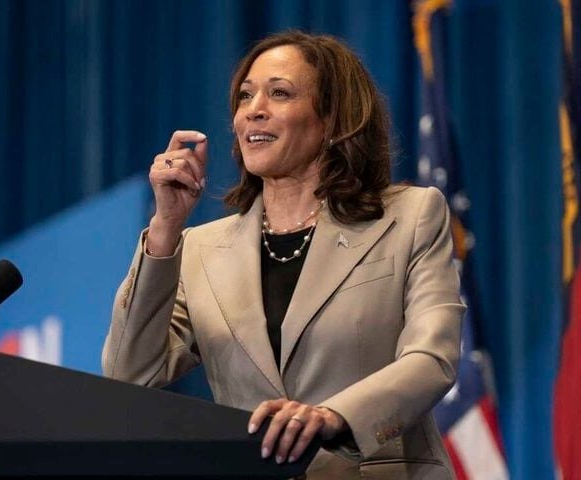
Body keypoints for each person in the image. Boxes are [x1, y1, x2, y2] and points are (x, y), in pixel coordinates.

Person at [102, 30, 465, 480]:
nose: (253, 110)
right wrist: (165, 228)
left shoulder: (409, 216)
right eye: (245, 96)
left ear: (332, 118)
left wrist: (334, 417)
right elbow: (129, 373)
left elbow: (432, 359)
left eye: (280, 93)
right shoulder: (199, 250)